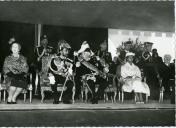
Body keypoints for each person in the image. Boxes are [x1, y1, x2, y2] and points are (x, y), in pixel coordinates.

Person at [48, 40, 74, 104]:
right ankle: (56, 99)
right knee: (53, 83)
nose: (67, 52)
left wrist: (70, 73)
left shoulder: (69, 60)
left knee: (70, 83)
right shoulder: (55, 58)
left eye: (68, 51)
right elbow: (50, 70)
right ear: (61, 51)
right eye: (65, 50)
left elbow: (72, 69)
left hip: (64, 77)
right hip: (56, 76)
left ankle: (65, 99)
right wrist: (51, 76)